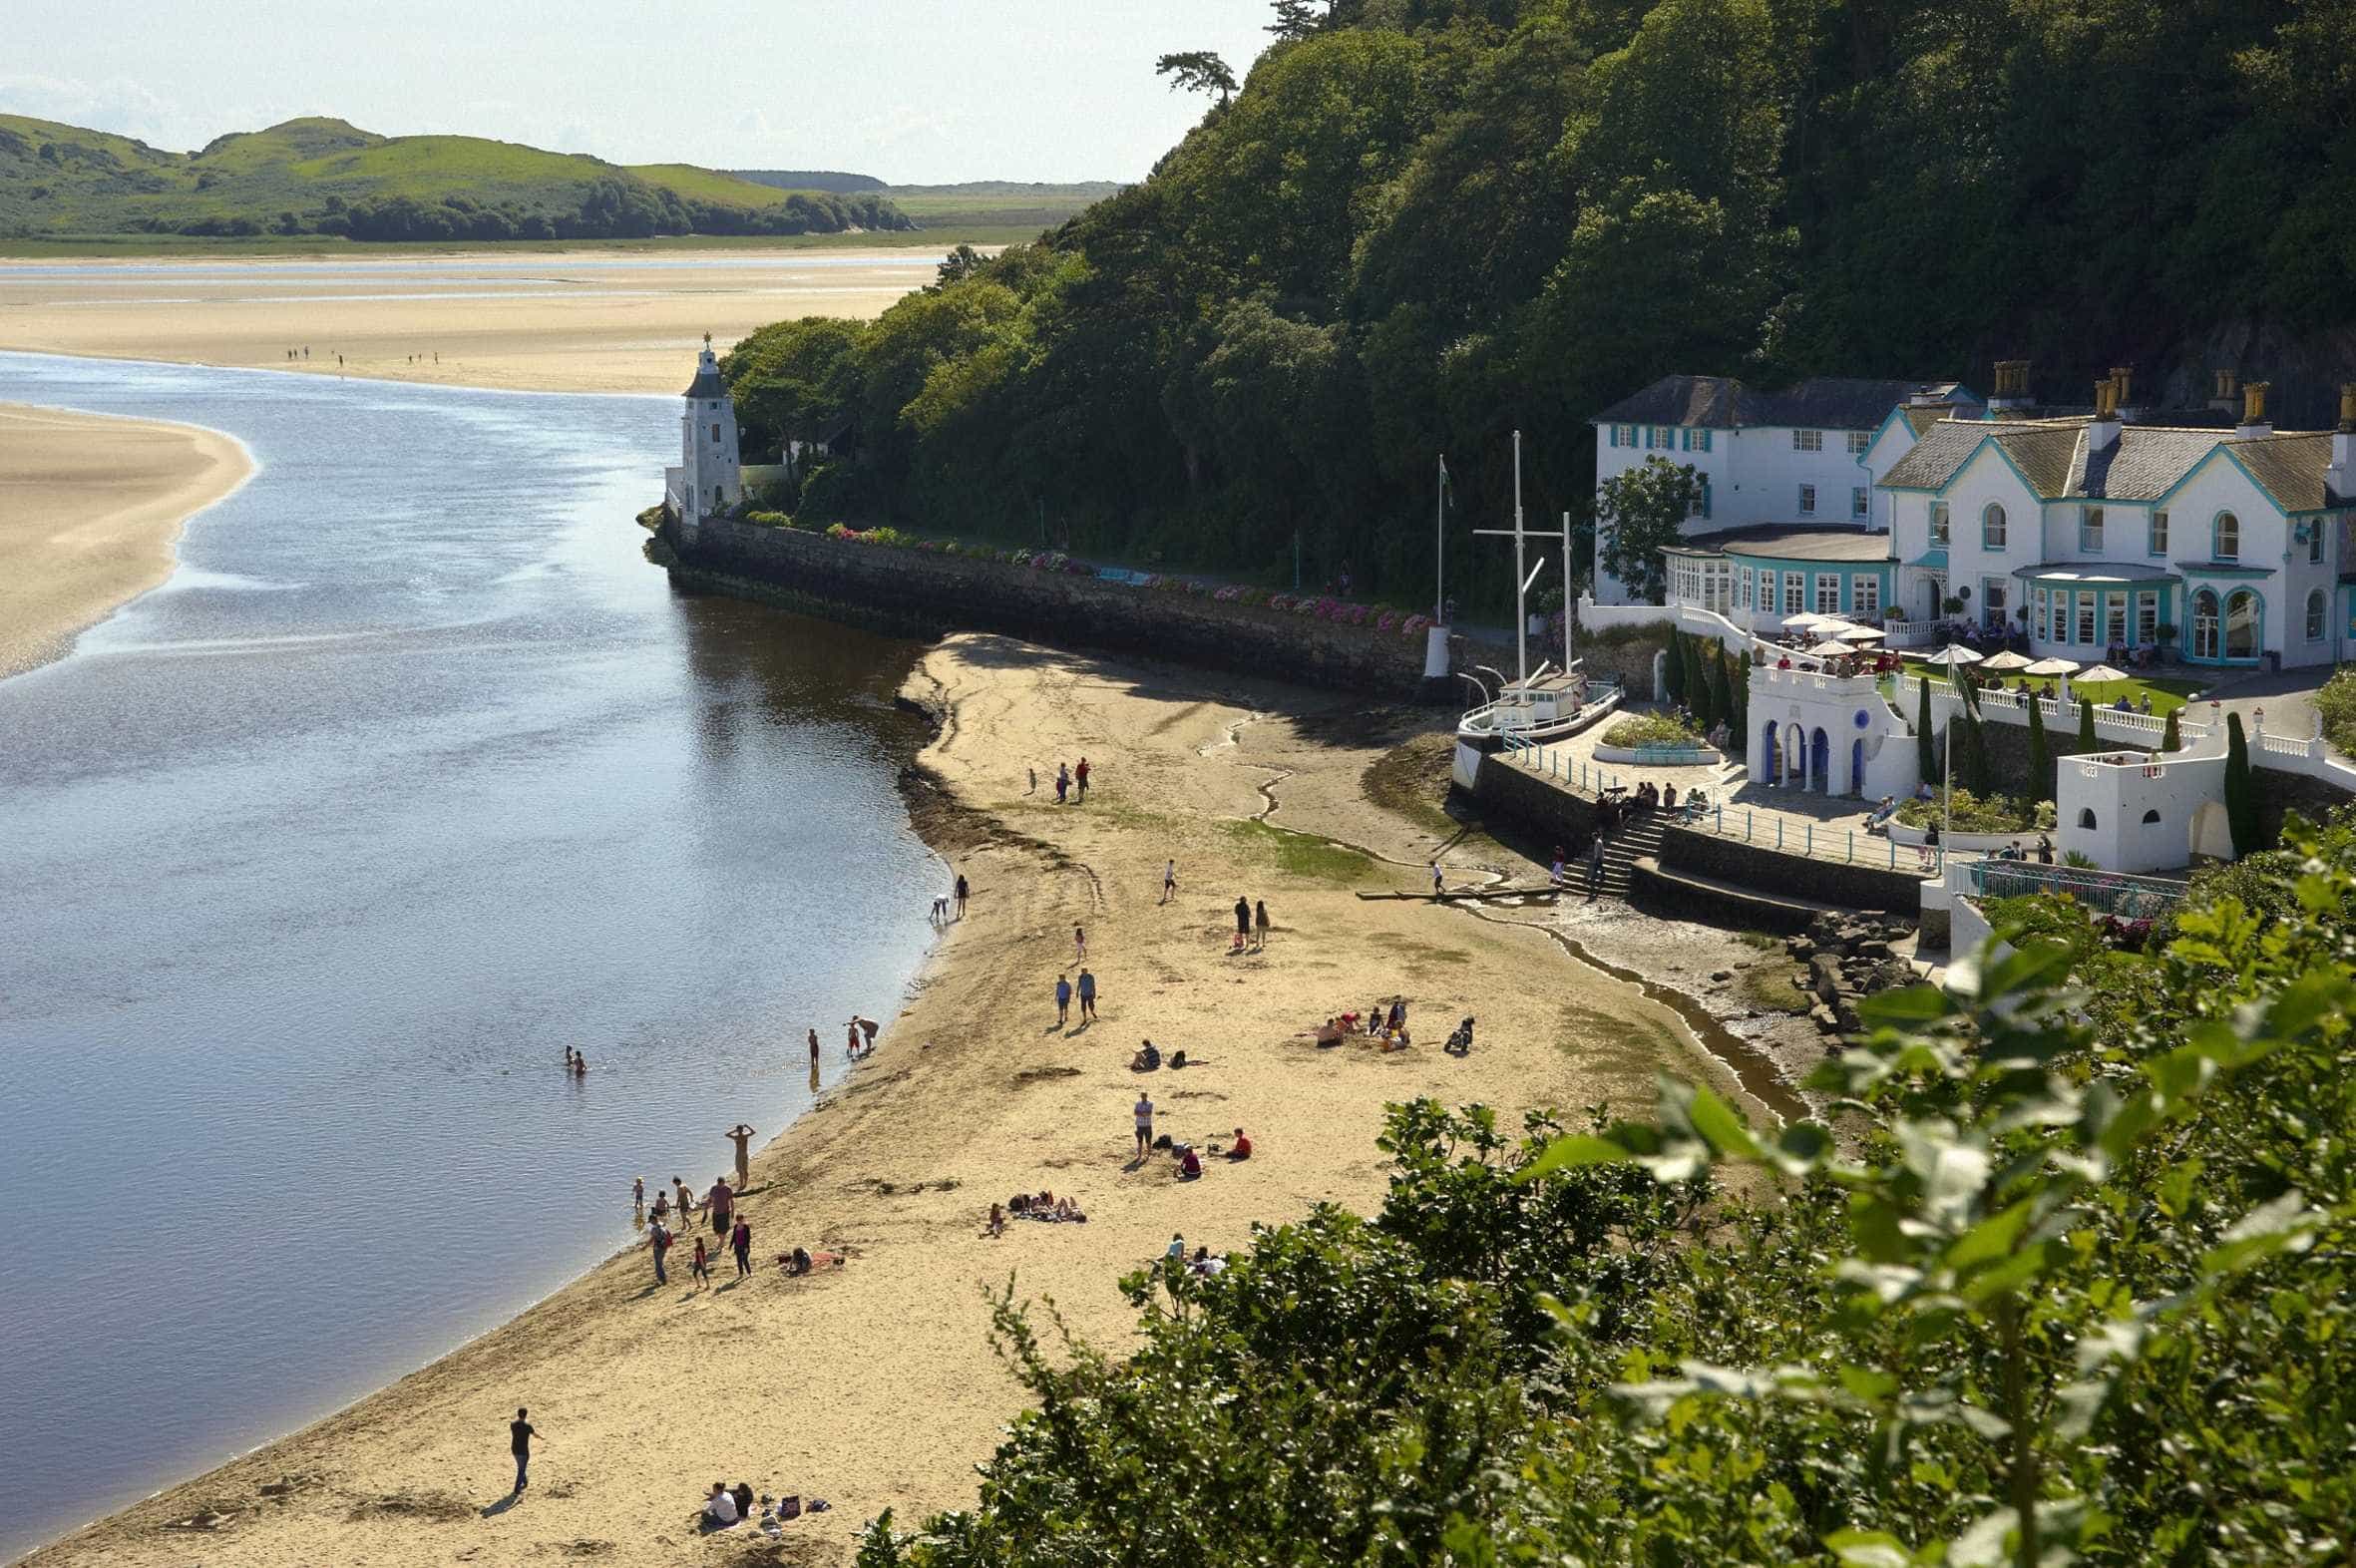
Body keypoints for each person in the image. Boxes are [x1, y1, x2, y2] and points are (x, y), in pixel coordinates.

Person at [510, 1407, 540, 1494]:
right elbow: (535, 1435)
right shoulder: (527, 1426)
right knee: (521, 1469)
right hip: (523, 1451)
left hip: (514, 1449)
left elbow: (517, 1425)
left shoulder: (512, 1424)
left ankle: (525, 1482)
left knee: (521, 1467)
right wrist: (541, 1438)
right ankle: (517, 1488)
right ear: (526, 1415)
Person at [649, 1217, 671, 1284]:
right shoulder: (662, 1225)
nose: (651, 1222)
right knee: (660, 1263)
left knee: (658, 1264)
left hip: (658, 1247)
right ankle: (662, 1279)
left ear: (654, 1220)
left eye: (651, 1221)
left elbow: (652, 1238)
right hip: (664, 1246)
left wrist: (644, 1247)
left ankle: (662, 1279)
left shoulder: (654, 1229)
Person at [1134, 1092, 1155, 1159]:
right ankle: (1139, 1155)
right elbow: (1135, 1112)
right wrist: (1143, 1114)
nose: (1143, 1097)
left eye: (1144, 1096)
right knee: (1140, 1141)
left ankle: (1149, 1155)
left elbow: (1149, 1113)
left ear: (1146, 1096)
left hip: (1147, 1125)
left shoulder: (1150, 1104)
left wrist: (1140, 1113)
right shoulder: (1138, 1103)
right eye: (1142, 1096)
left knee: (1148, 1141)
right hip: (1139, 1125)